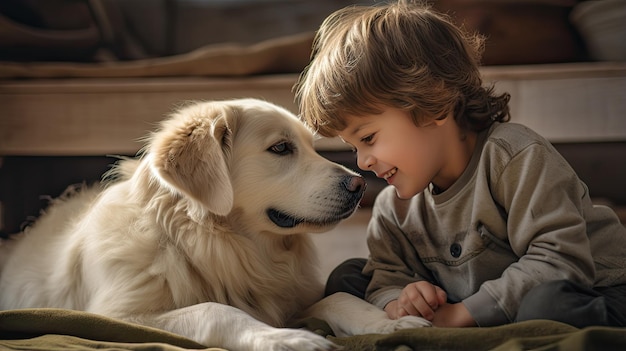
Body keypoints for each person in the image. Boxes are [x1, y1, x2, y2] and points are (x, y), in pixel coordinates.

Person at [293, 0, 626, 328]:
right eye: (353, 148)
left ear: (431, 104)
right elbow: (386, 278)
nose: (363, 162)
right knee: (347, 279)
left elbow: (559, 262)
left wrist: (460, 315)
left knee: (547, 305)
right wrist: (401, 301)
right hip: (478, 296)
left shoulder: (513, 157)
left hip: (596, 289)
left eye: (367, 138)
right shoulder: (393, 209)